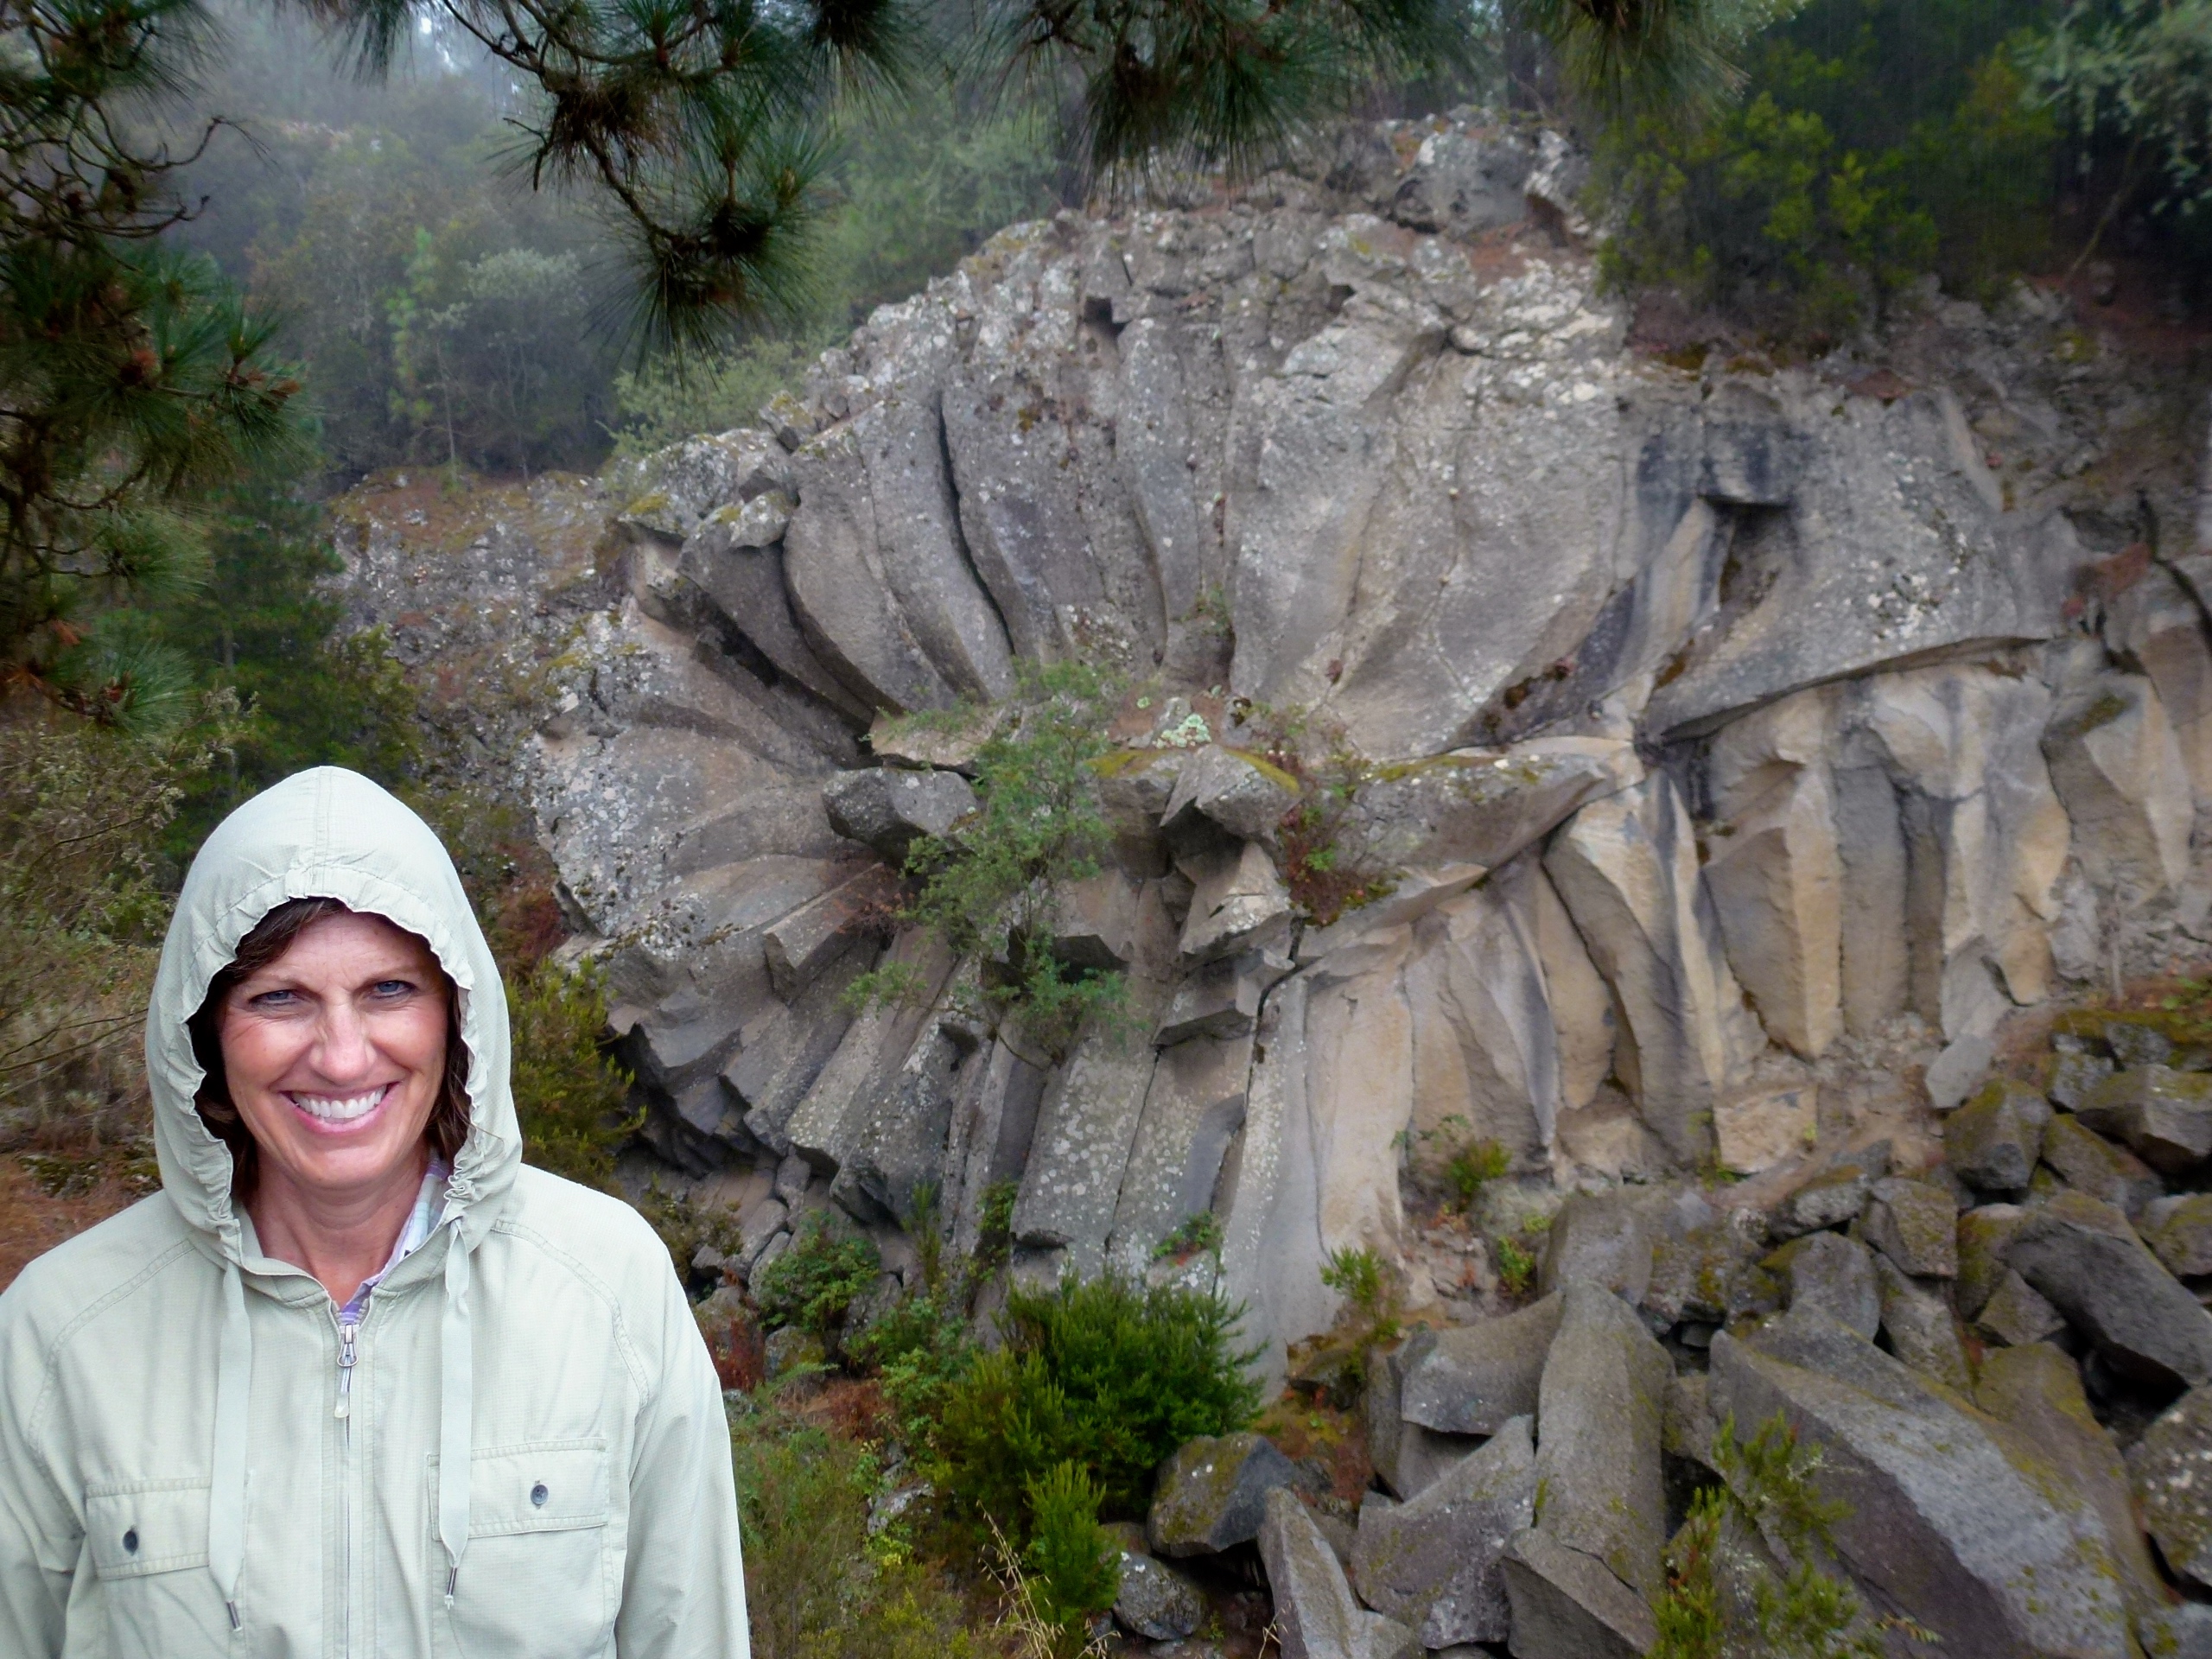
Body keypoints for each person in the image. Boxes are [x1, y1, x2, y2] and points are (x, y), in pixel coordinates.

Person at [0, 766, 747, 1657]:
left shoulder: (607, 1285)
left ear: (455, 1015)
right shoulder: (60, 1332)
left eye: (389, 990)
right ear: (204, 1034)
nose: (344, 1057)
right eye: (279, 998)